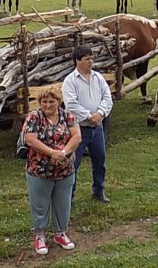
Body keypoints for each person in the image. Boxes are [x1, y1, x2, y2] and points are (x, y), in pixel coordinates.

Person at [24, 88, 82, 256]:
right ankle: (40, 236)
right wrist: (51, 153)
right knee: (40, 204)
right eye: (44, 101)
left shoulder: (67, 116)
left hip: (65, 170)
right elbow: (30, 139)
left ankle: (60, 233)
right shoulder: (34, 117)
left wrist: (62, 153)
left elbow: (76, 136)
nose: (48, 105)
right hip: (39, 170)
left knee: (63, 203)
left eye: (51, 101)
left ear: (58, 102)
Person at [62, 46, 113, 203]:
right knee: (73, 164)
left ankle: (99, 191)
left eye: (92, 58)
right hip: (78, 130)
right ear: (77, 61)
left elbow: (107, 98)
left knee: (100, 161)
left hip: (97, 129)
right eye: (87, 59)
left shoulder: (98, 77)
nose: (91, 61)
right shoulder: (70, 81)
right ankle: (69, 196)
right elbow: (71, 104)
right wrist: (88, 116)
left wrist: (100, 114)